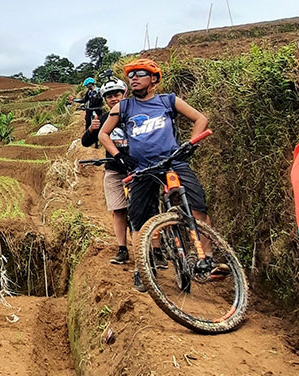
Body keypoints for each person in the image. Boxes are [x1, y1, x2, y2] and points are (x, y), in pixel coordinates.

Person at [98, 57, 213, 292]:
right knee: (139, 219)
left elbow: (201, 119)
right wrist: (119, 157)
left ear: (153, 79)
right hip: (143, 168)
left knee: (197, 206)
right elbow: (103, 134)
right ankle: (143, 268)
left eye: (139, 74)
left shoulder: (168, 100)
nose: (133, 79)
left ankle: (207, 259)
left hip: (173, 161)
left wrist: (191, 144)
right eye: (131, 76)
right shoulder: (124, 107)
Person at [82, 79, 132, 265]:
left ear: (124, 94)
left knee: (145, 210)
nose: (113, 99)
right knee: (118, 210)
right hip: (114, 168)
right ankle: (122, 248)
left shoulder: (134, 114)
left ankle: (156, 250)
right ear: (104, 99)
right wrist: (91, 129)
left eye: (116, 95)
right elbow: (86, 142)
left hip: (137, 167)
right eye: (109, 96)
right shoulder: (104, 119)